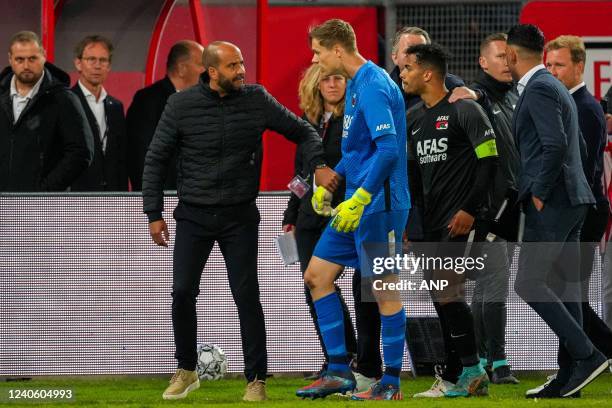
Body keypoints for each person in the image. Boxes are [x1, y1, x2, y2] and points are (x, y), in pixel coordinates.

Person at [142, 41, 338, 401]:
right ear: (212, 72)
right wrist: (153, 213)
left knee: (247, 296)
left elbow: (304, 132)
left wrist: (319, 165)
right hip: (193, 215)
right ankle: (186, 370)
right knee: (182, 292)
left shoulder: (257, 99)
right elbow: (155, 158)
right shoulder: (180, 104)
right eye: (233, 66)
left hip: (239, 216)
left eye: (242, 63)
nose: (242, 71)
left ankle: (256, 380)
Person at [295, 19, 410, 401]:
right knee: (316, 275)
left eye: (317, 51)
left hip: (380, 206)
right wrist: (331, 184)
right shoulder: (357, 86)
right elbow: (357, 152)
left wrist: (360, 197)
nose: (314, 59)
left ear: (337, 51)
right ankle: (340, 372)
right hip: (356, 204)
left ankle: (390, 383)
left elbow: (389, 150)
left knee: (384, 291)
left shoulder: (375, 85)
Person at [506, 24, 609, 399]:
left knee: (528, 283)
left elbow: (556, 144)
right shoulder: (553, 88)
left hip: (554, 203)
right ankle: (571, 378)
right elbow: (577, 145)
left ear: (514, 56)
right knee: (566, 291)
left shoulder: (539, 88)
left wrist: (540, 191)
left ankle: (585, 355)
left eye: (505, 56)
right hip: (572, 200)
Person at [401, 43, 498, 398]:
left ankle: (472, 370)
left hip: (461, 220)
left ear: (427, 72)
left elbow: (489, 162)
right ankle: (457, 375)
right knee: (442, 297)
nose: (402, 74)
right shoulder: (414, 120)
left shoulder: (465, 110)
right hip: (430, 225)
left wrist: (470, 210)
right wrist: (415, 226)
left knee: (449, 293)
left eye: (408, 68)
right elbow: (414, 179)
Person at [447, 32, 520, 386]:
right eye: (500, 57)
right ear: (483, 62)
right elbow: (471, 93)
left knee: (491, 286)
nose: (507, 62)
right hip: (488, 210)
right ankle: (496, 360)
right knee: (493, 284)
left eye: (511, 56)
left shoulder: (516, 96)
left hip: (512, 207)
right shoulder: (480, 95)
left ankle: (486, 358)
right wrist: (470, 93)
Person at [282, 64, 359, 382]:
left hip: (342, 214)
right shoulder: (309, 124)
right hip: (308, 218)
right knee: (313, 286)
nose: (331, 84)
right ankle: (335, 357)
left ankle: (352, 356)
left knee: (329, 284)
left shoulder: (355, 121)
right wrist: (291, 215)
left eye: (337, 78)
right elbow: (301, 173)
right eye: (326, 79)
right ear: (315, 84)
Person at [544, 33, 612, 376]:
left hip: (583, 211)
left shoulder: (584, 108)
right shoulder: (573, 105)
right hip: (581, 209)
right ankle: (573, 366)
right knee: (568, 295)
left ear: (579, 67)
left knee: (568, 295)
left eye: (560, 65)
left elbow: (581, 169)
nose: (552, 72)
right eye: (549, 64)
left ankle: (577, 364)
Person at [0, 31, 93, 192]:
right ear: (10, 59)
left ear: (44, 56)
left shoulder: (63, 99)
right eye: (20, 59)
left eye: (32, 58)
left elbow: (81, 152)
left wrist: (45, 191)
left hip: (44, 207)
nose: (26, 66)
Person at [127, 40, 204, 190]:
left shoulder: (199, 102)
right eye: (201, 64)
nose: (206, 70)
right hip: (163, 200)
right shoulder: (148, 100)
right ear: (182, 68)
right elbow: (140, 155)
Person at [71, 35, 128, 191]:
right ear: (78, 63)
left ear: (109, 66)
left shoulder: (116, 106)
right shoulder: (65, 102)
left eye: (103, 61)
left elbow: (121, 158)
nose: (97, 66)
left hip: (112, 194)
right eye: (91, 59)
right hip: (77, 195)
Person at [389, 26, 465, 110]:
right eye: (409, 51)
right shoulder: (383, 89)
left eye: (421, 52)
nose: (416, 57)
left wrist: (477, 94)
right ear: (395, 58)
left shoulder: (448, 84)